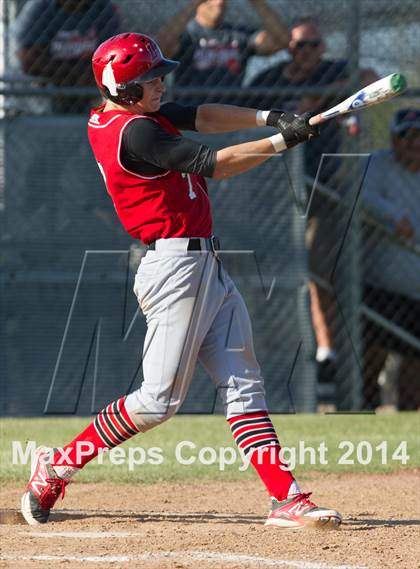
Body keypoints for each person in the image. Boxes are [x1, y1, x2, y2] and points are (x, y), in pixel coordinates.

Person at [21, 33, 341, 529]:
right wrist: (283, 142)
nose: (162, 83)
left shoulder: (128, 113)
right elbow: (217, 165)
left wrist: (271, 118)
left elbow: (204, 115)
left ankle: (286, 498)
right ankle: (56, 466)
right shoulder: (136, 134)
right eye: (151, 79)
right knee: (157, 401)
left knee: (243, 384)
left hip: (203, 264)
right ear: (126, 91)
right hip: (173, 270)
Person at [250, 17, 377, 384]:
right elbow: (240, 112)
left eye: (314, 45)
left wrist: (320, 98)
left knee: (317, 269)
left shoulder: (335, 70)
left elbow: (368, 77)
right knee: (268, 273)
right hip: (274, 193)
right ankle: (269, 350)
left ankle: (326, 349)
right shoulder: (268, 81)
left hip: (322, 189)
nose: (308, 53)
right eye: (300, 46)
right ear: (287, 48)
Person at [361, 109, 420, 410]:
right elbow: (363, 196)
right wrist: (395, 217)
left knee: (414, 370)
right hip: (380, 288)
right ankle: (362, 425)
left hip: (416, 294)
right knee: (370, 360)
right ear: (394, 139)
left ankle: (409, 434)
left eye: (419, 136)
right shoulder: (378, 164)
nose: (414, 143)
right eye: (407, 135)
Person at [156, 0, 289, 104]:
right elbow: (161, 46)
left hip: (231, 113)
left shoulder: (238, 34)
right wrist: (194, 4)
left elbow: (282, 40)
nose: (219, 2)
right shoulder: (187, 35)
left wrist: (257, 2)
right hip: (191, 112)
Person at [14, 0, 120, 113]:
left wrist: (79, 75)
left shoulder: (102, 7)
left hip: (89, 85)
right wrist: (74, 74)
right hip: (48, 86)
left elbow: (114, 56)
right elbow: (28, 59)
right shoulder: (40, 6)